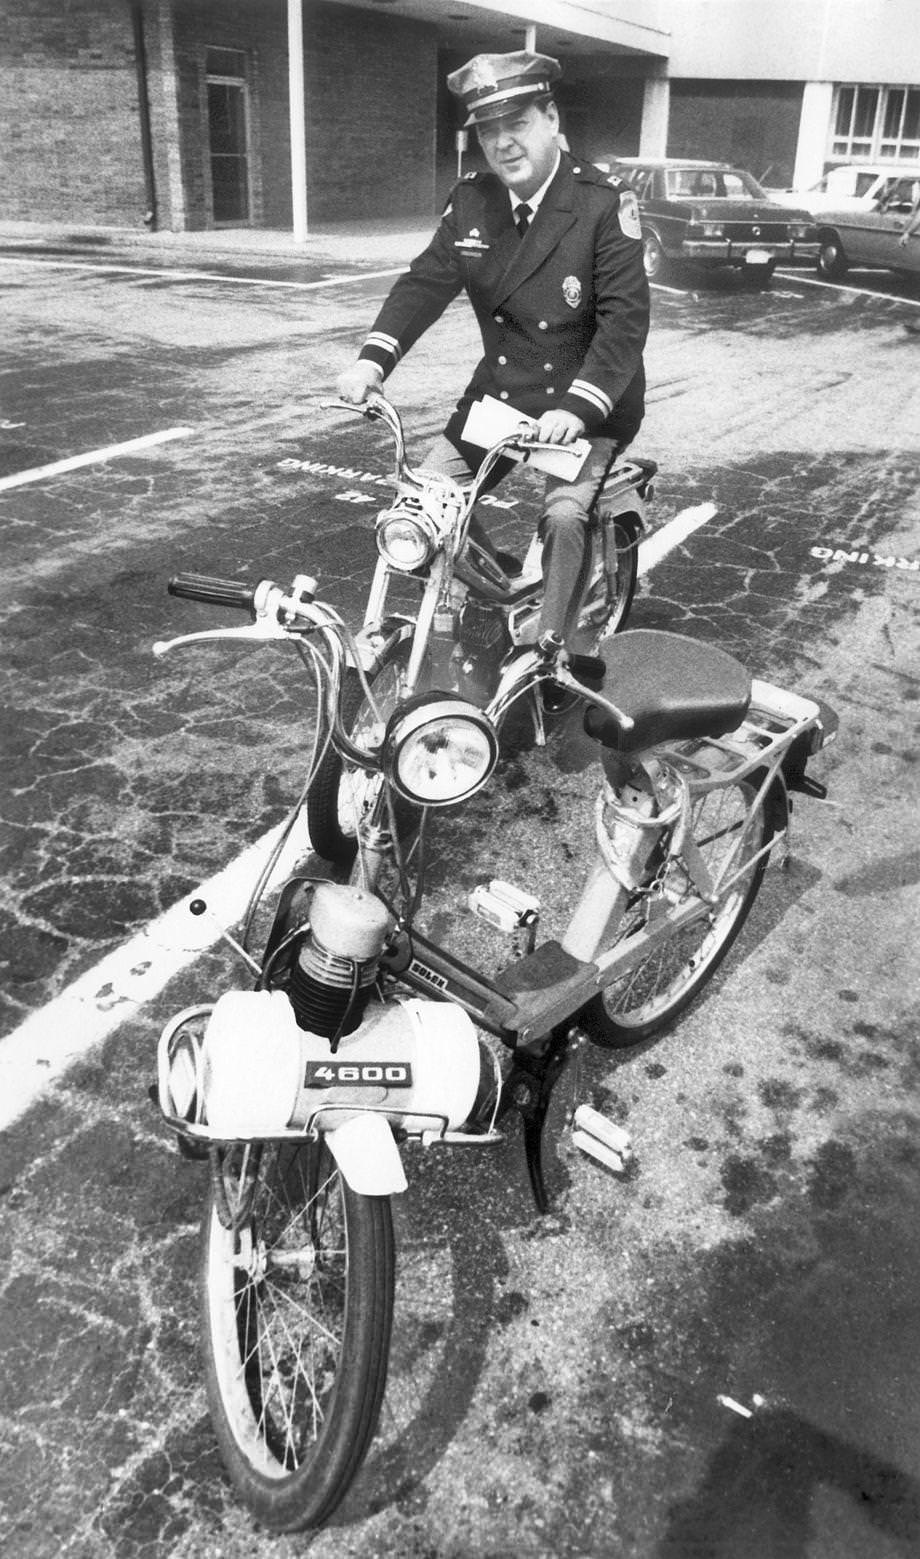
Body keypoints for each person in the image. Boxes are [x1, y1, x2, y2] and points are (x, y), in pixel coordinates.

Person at [335, 50, 650, 670]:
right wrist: (371, 361)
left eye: (518, 124)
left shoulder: (601, 202)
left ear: (552, 119)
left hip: (587, 400)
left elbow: (624, 322)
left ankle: (556, 648)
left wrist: (579, 409)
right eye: (487, 130)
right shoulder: (473, 201)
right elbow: (424, 284)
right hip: (505, 394)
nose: (503, 144)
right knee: (421, 503)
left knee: (563, 518)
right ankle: (490, 592)